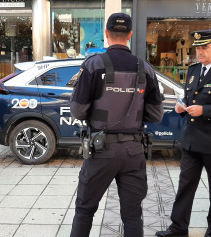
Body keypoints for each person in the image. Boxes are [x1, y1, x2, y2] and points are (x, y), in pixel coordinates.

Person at [69, 13, 164, 237]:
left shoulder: (93, 65)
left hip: (101, 150)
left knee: (85, 210)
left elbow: (77, 110)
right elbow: (156, 114)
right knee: (132, 214)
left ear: (106, 34)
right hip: (133, 151)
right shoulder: (145, 68)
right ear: (130, 35)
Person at [155, 29, 211, 237]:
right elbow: (191, 98)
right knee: (185, 184)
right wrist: (183, 106)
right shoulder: (194, 69)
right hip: (192, 138)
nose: (200, 52)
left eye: (204, 48)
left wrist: (205, 110)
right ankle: (178, 227)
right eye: (198, 48)